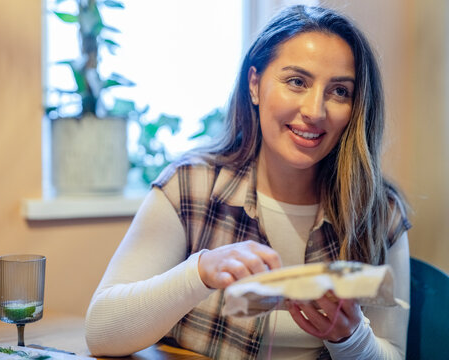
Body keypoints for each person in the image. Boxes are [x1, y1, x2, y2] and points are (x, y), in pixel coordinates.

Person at [85, 5, 411, 360]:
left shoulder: (380, 211)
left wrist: (350, 338)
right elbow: (101, 332)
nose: (316, 111)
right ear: (254, 84)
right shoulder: (191, 186)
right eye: (297, 82)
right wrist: (200, 271)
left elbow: (393, 353)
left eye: (339, 92)